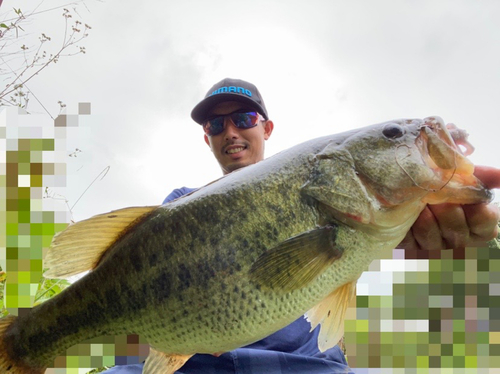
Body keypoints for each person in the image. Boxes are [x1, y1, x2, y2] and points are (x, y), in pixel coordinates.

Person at [103, 78, 500, 373]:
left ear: (266, 128)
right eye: (215, 125)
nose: (230, 132)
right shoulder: (178, 206)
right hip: (199, 363)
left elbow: (372, 260)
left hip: (301, 364)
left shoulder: (360, 211)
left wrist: (418, 241)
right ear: (207, 139)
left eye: (243, 118)